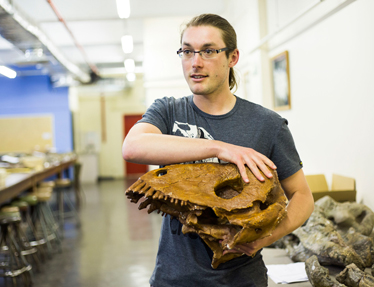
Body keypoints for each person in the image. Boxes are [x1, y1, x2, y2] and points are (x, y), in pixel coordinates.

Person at [122, 13, 314, 287]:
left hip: (242, 280)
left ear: (232, 57)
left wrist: (264, 238)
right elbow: (132, 147)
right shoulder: (167, 111)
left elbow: (302, 195)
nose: (195, 62)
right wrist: (220, 148)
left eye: (209, 51)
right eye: (187, 51)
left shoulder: (267, 124)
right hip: (173, 279)